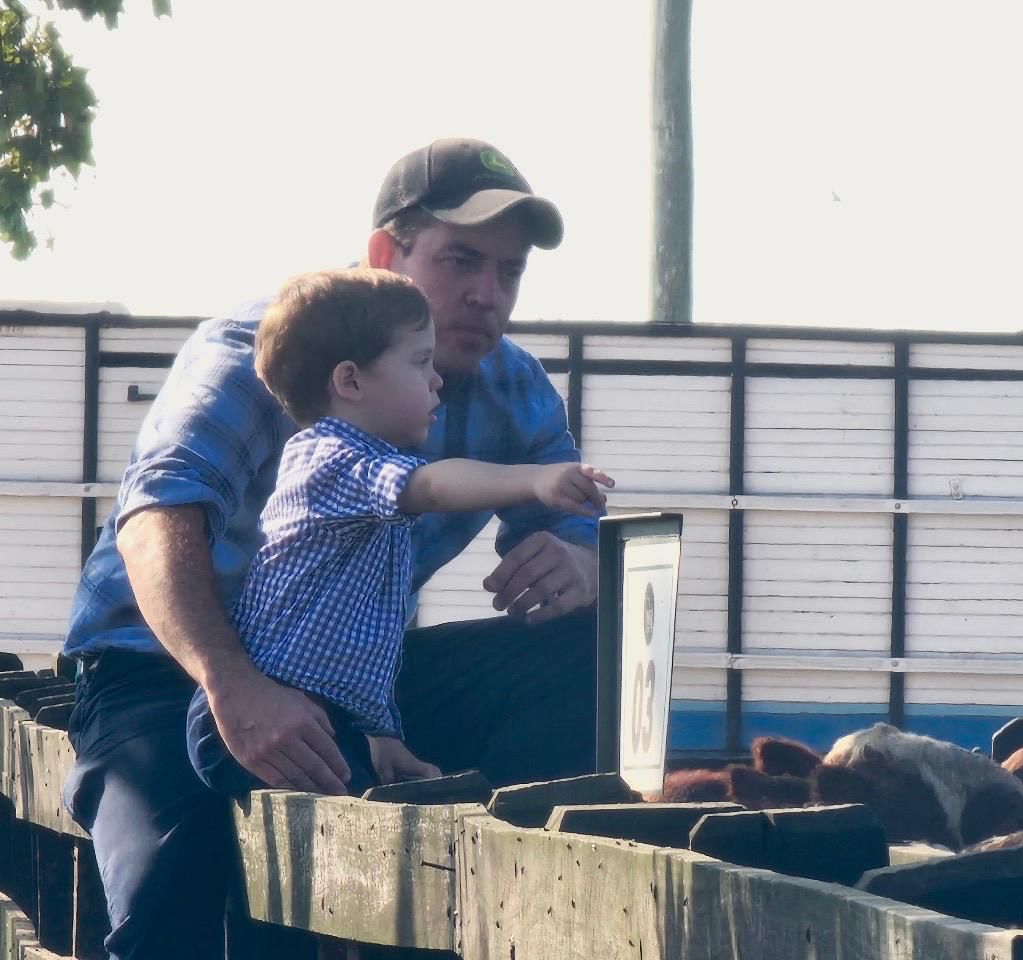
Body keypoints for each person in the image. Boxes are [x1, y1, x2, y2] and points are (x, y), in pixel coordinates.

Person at [61, 138, 602, 960]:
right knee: (175, 900)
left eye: (510, 271)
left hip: (344, 687)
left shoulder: (511, 384)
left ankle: (502, 910)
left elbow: (576, 521)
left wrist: (581, 564)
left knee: (586, 650)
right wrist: (235, 684)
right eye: (461, 260)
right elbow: (157, 519)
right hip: (168, 672)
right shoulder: (259, 352)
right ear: (387, 254)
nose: (487, 295)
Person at [185, 267, 613, 798]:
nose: (436, 380)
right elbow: (431, 486)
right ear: (351, 382)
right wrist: (535, 480)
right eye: (419, 362)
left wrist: (381, 737)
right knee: (349, 827)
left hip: (323, 708)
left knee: (376, 806)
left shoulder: (365, 474)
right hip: (272, 707)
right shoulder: (331, 459)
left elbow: (359, 645)